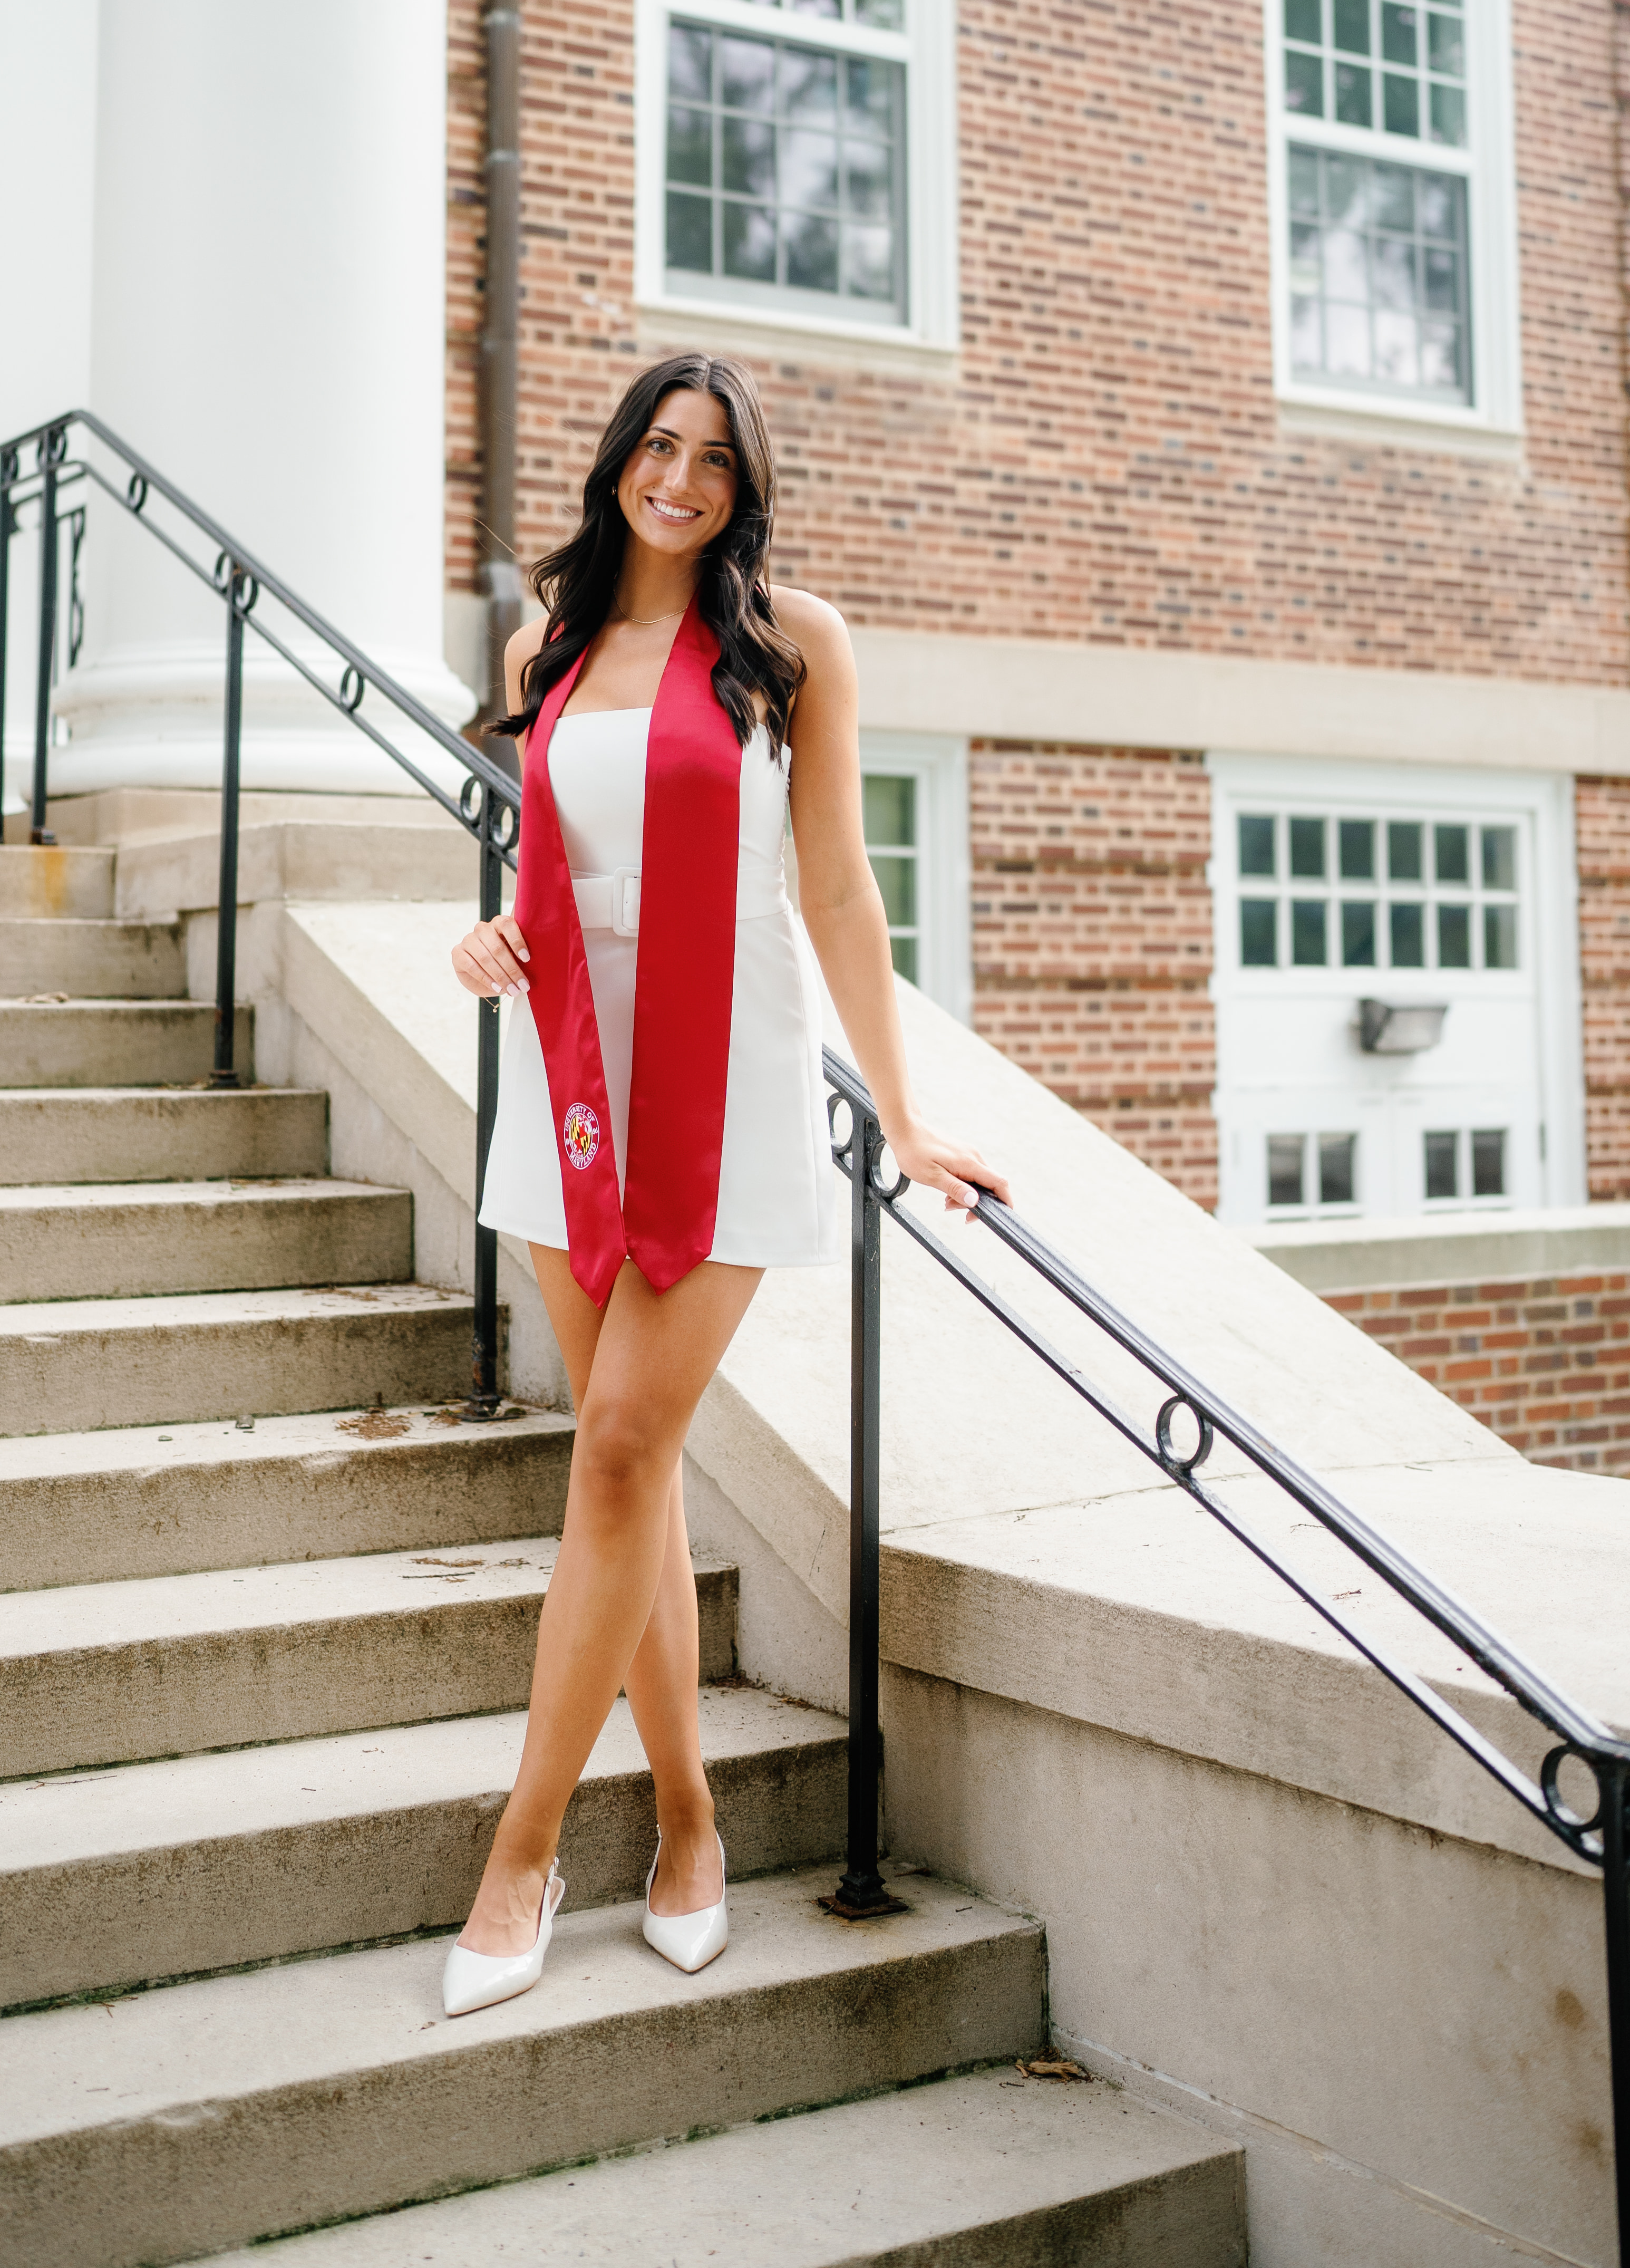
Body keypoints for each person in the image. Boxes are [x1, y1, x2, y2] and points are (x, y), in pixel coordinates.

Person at [441, 351, 1006, 2018]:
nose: (678, 479)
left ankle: (523, 1850)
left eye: (712, 459)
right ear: (619, 463)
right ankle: (688, 1823)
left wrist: (901, 1117)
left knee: (618, 1448)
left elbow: (836, 887)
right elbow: (544, 866)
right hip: (570, 1085)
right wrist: (487, 934)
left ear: (742, 486)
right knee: (641, 1469)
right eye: (656, 448)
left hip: (730, 1082)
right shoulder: (544, 646)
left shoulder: (794, 646)